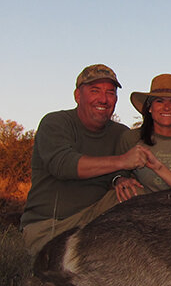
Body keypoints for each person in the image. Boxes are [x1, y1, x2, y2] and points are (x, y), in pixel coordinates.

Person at [20, 64, 147, 255]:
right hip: (51, 227)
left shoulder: (120, 133)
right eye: (95, 91)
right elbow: (63, 165)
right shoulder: (55, 123)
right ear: (78, 96)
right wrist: (122, 161)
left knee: (135, 193)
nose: (103, 99)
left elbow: (153, 150)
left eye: (110, 93)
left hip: (95, 221)